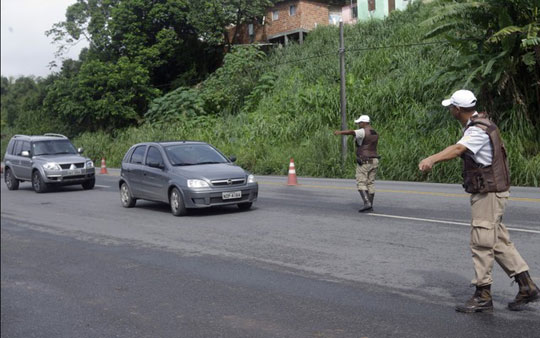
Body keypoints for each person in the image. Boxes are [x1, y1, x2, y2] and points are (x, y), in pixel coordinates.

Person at [418, 89, 539, 313]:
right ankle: (527, 286)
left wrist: (431, 159)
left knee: (481, 242)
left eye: (451, 108)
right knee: (498, 241)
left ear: (458, 109)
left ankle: (483, 294)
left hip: (489, 194)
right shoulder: (481, 123)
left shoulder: (477, 131)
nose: (450, 111)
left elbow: (458, 149)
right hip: (492, 192)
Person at [334, 115, 379, 212]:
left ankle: (367, 203)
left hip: (364, 161)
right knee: (370, 183)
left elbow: (351, 132)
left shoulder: (362, 131)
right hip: (374, 160)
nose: (358, 124)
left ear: (364, 122)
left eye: (359, 123)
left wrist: (339, 132)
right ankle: (370, 205)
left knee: (361, 182)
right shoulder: (374, 132)